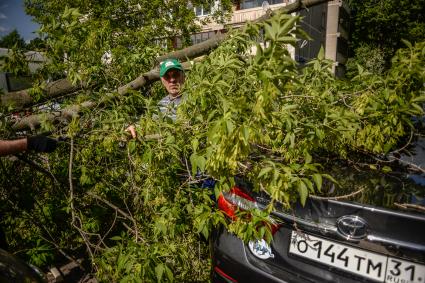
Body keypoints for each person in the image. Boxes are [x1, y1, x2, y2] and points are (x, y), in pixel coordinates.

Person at [126, 58, 185, 138]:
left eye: (176, 75)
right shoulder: (160, 104)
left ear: (183, 76)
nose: (172, 80)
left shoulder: (194, 99)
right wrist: (134, 127)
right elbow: (149, 123)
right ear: (162, 80)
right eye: (167, 76)